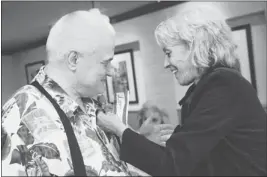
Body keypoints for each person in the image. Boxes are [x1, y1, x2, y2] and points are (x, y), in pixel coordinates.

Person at [97, 5, 267, 176]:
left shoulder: (224, 85)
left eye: (169, 53)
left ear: (195, 47)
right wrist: (175, 138)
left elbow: (172, 165)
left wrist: (120, 129)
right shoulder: (210, 86)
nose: (165, 63)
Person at [1, 9, 133, 176]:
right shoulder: (16, 118)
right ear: (74, 60)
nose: (111, 72)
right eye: (105, 63)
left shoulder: (93, 106)